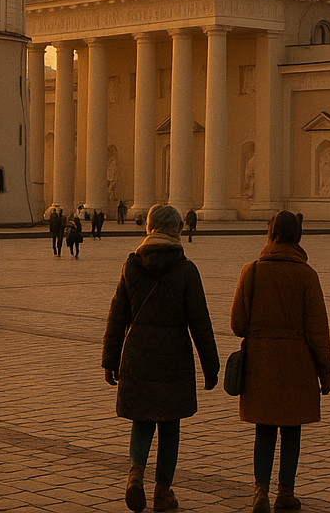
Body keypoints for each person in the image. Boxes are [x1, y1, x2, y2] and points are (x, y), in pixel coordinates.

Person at [102, 204, 219, 513]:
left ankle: (135, 475)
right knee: (169, 427)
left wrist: (110, 359)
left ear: (149, 228)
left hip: (138, 353)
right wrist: (211, 366)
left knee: (141, 421)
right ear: (177, 230)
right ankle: (162, 492)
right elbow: (200, 322)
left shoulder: (132, 265)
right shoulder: (186, 269)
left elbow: (117, 316)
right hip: (173, 358)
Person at [231, 210, 330, 513]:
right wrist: (325, 371)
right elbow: (318, 330)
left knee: (264, 431)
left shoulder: (251, 271)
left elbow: (237, 324)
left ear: (271, 233)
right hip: (297, 365)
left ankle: (260, 490)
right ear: (298, 235)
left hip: (260, 364)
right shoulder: (306, 275)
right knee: (291, 432)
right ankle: (285, 492)